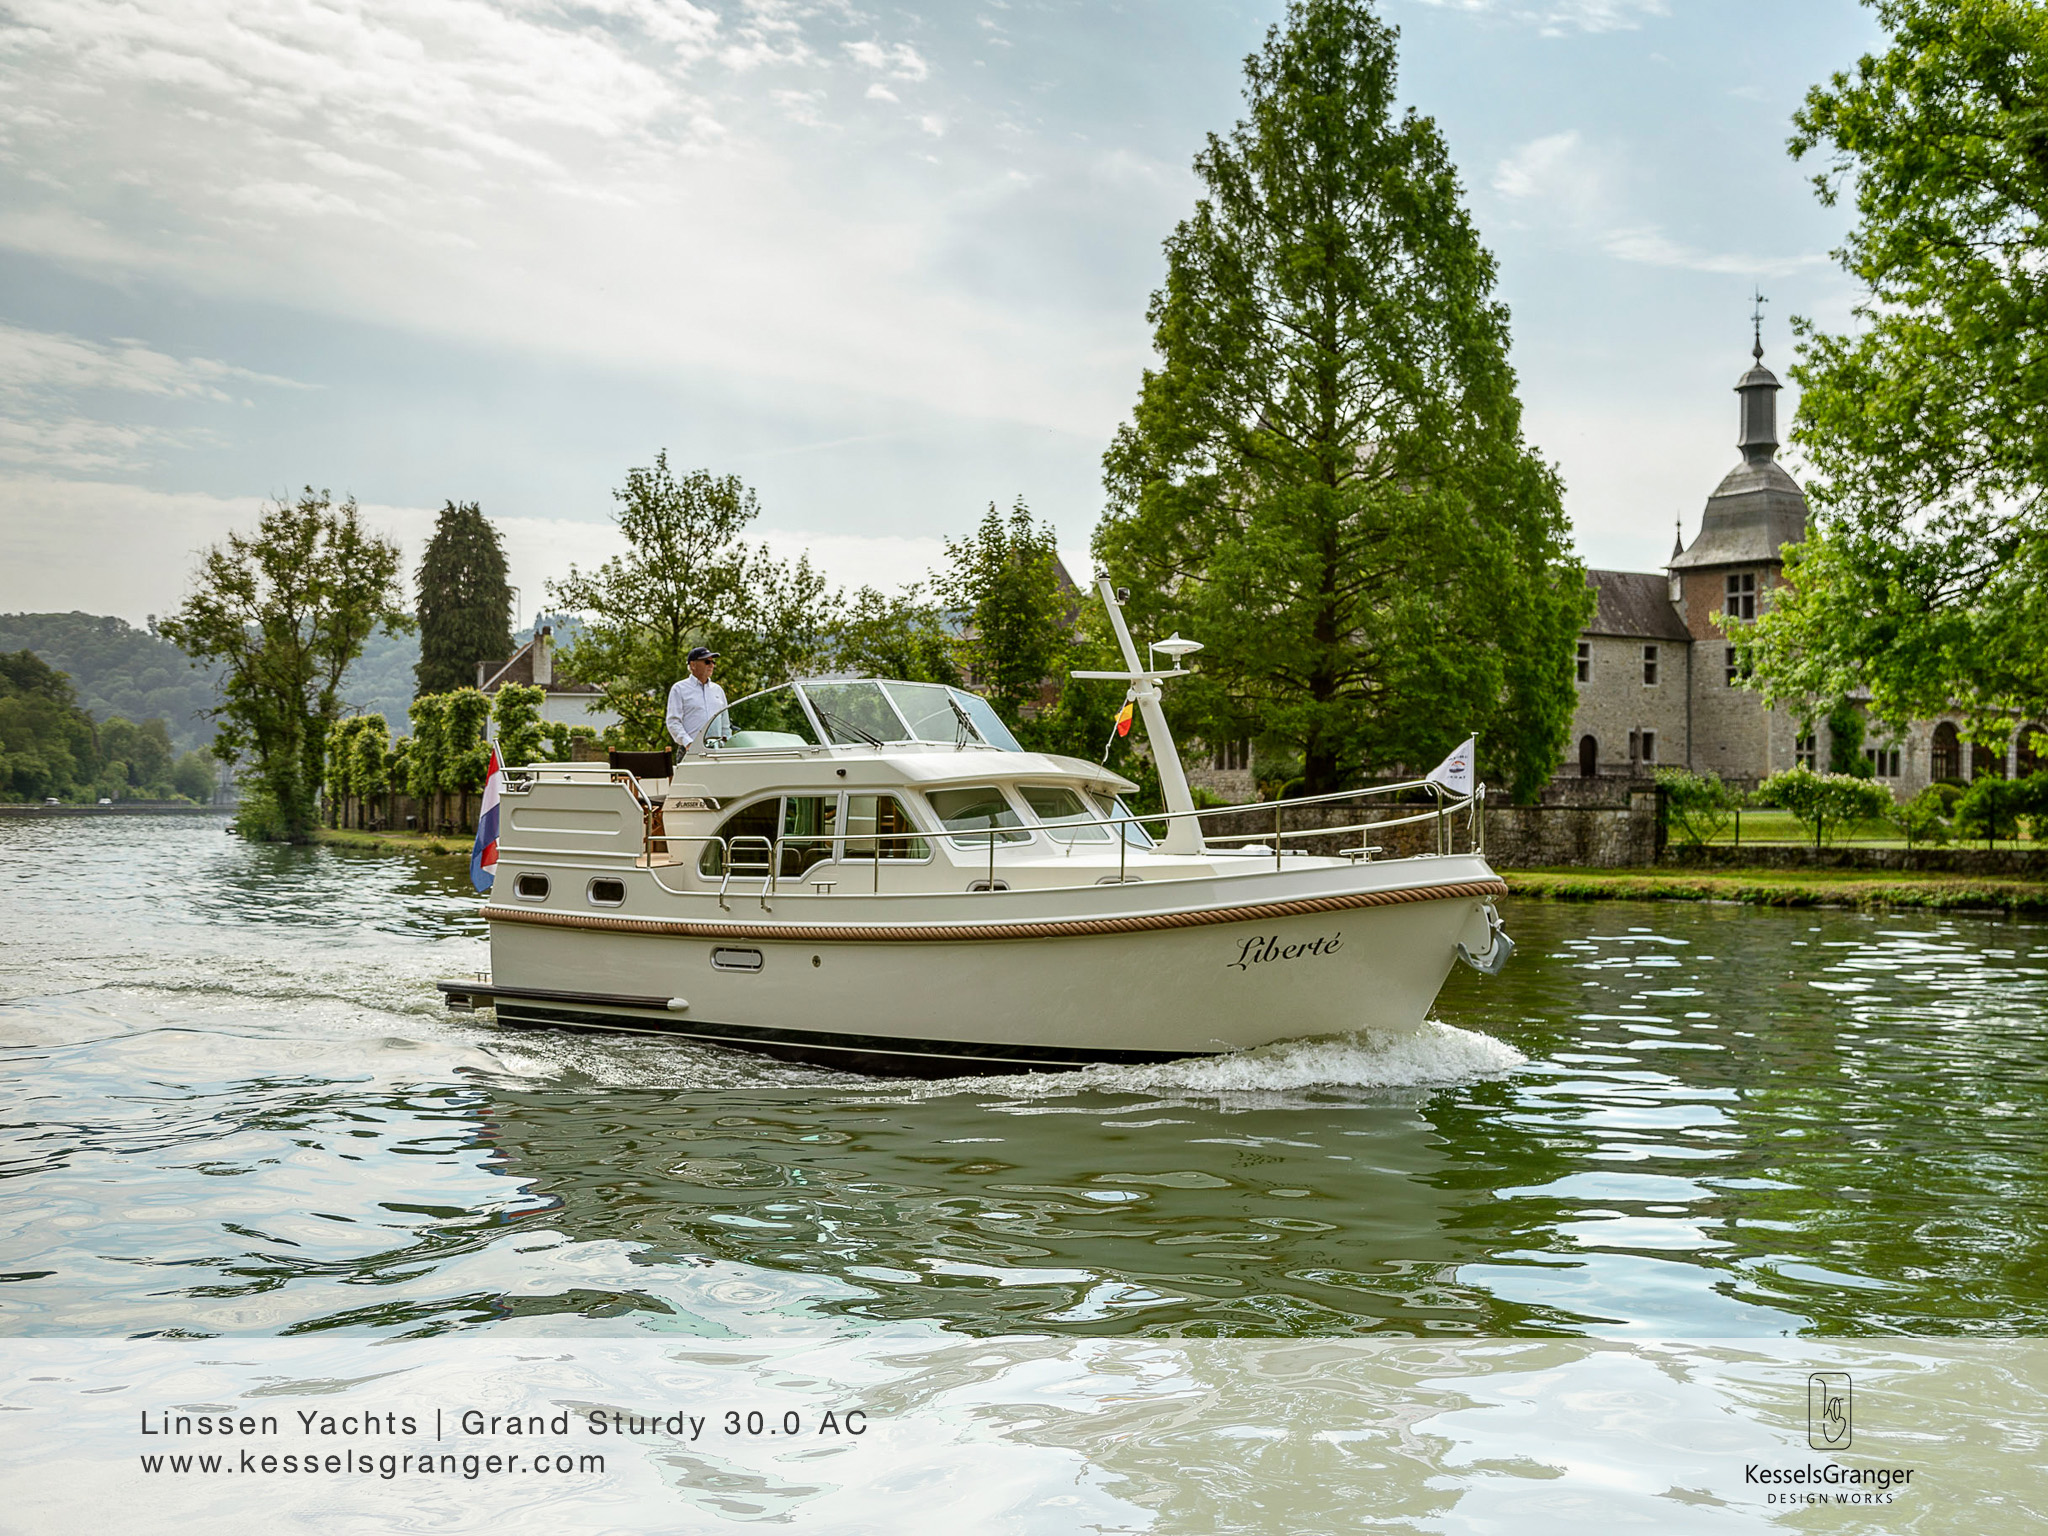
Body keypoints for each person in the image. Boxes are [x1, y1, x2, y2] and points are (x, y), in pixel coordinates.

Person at [665, 647, 727, 758]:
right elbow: (673, 722)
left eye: (713, 662)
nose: (711, 665)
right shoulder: (679, 689)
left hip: (716, 752)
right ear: (693, 665)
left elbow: (725, 724)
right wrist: (689, 744)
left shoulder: (718, 690)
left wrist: (726, 746)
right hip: (689, 751)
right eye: (707, 662)